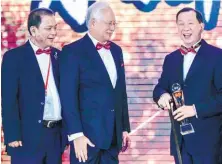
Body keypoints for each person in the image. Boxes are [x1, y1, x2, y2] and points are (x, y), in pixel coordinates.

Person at [59, 2, 131, 164]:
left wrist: (124, 128)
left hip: (112, 139)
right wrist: (76, 135)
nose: (112, 28)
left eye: (114, 24)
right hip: (86, 139)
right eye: (109, 23)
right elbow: (68, 97)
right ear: (92, 23)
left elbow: (120, 92)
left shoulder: (116, 51)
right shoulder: (72, 52)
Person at [153, 7, 222, 164]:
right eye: (181, 24)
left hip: (209, 143)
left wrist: (194, 109)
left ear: (201, 26)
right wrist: (162, 95)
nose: (185, 28)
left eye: (190, 23)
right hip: (180, 142)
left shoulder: (218, 57)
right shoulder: (171, 59)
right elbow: (159, 88)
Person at [2, 8, 66, 164]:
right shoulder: (14, 57)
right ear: (33, 30)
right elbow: (9, 99)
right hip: (26, 137)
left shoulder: (61, 56)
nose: (54, 32)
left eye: (55, 28)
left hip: (55, 137)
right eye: (48, 28)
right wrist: (12, 135)